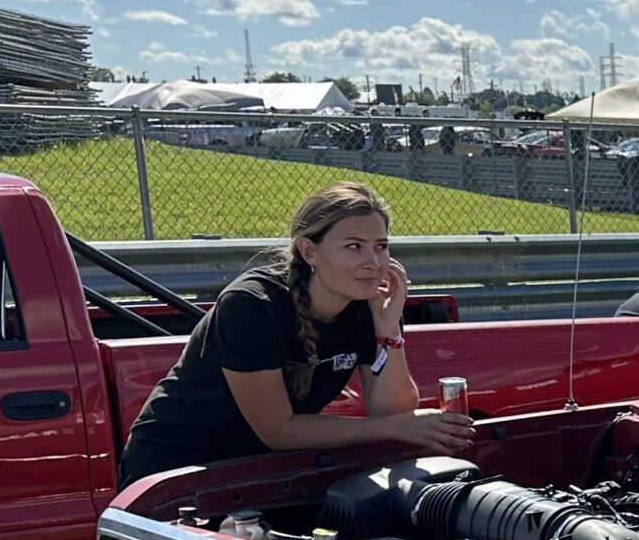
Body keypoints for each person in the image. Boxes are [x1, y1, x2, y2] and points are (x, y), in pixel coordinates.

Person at [117, 183, 473, 485]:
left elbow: (391, 410)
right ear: (309, 251)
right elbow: (279, 430)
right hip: (175, 472)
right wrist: (395, 428)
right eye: (354, 247)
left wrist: (388, 329)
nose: (374, 263)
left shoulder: (369, 303)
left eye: (380, 246)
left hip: (262, 470)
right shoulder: (251, 305)